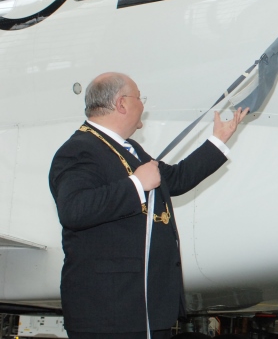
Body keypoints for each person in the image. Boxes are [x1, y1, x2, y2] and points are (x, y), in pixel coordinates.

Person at [48, 73, 248, 339]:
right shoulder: (79, 149)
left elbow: (175, 179)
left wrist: (218, 141)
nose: (143, 104)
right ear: (121, 104)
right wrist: (136, 184)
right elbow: (74, 210)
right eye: (139, 97)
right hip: (109, 312)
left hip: (140, 308)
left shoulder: (128, 148)